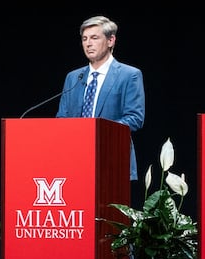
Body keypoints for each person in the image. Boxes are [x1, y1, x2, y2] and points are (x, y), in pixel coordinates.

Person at [54, 15, 145, 179]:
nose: (88, 43)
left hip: (112, 159)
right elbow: (62, 118)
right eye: (84, 39)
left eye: (94, 38)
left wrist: (96, 132)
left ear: (111, 41)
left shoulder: (129, 75)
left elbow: (135, 118)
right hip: (75, 160)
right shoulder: (74, 78)